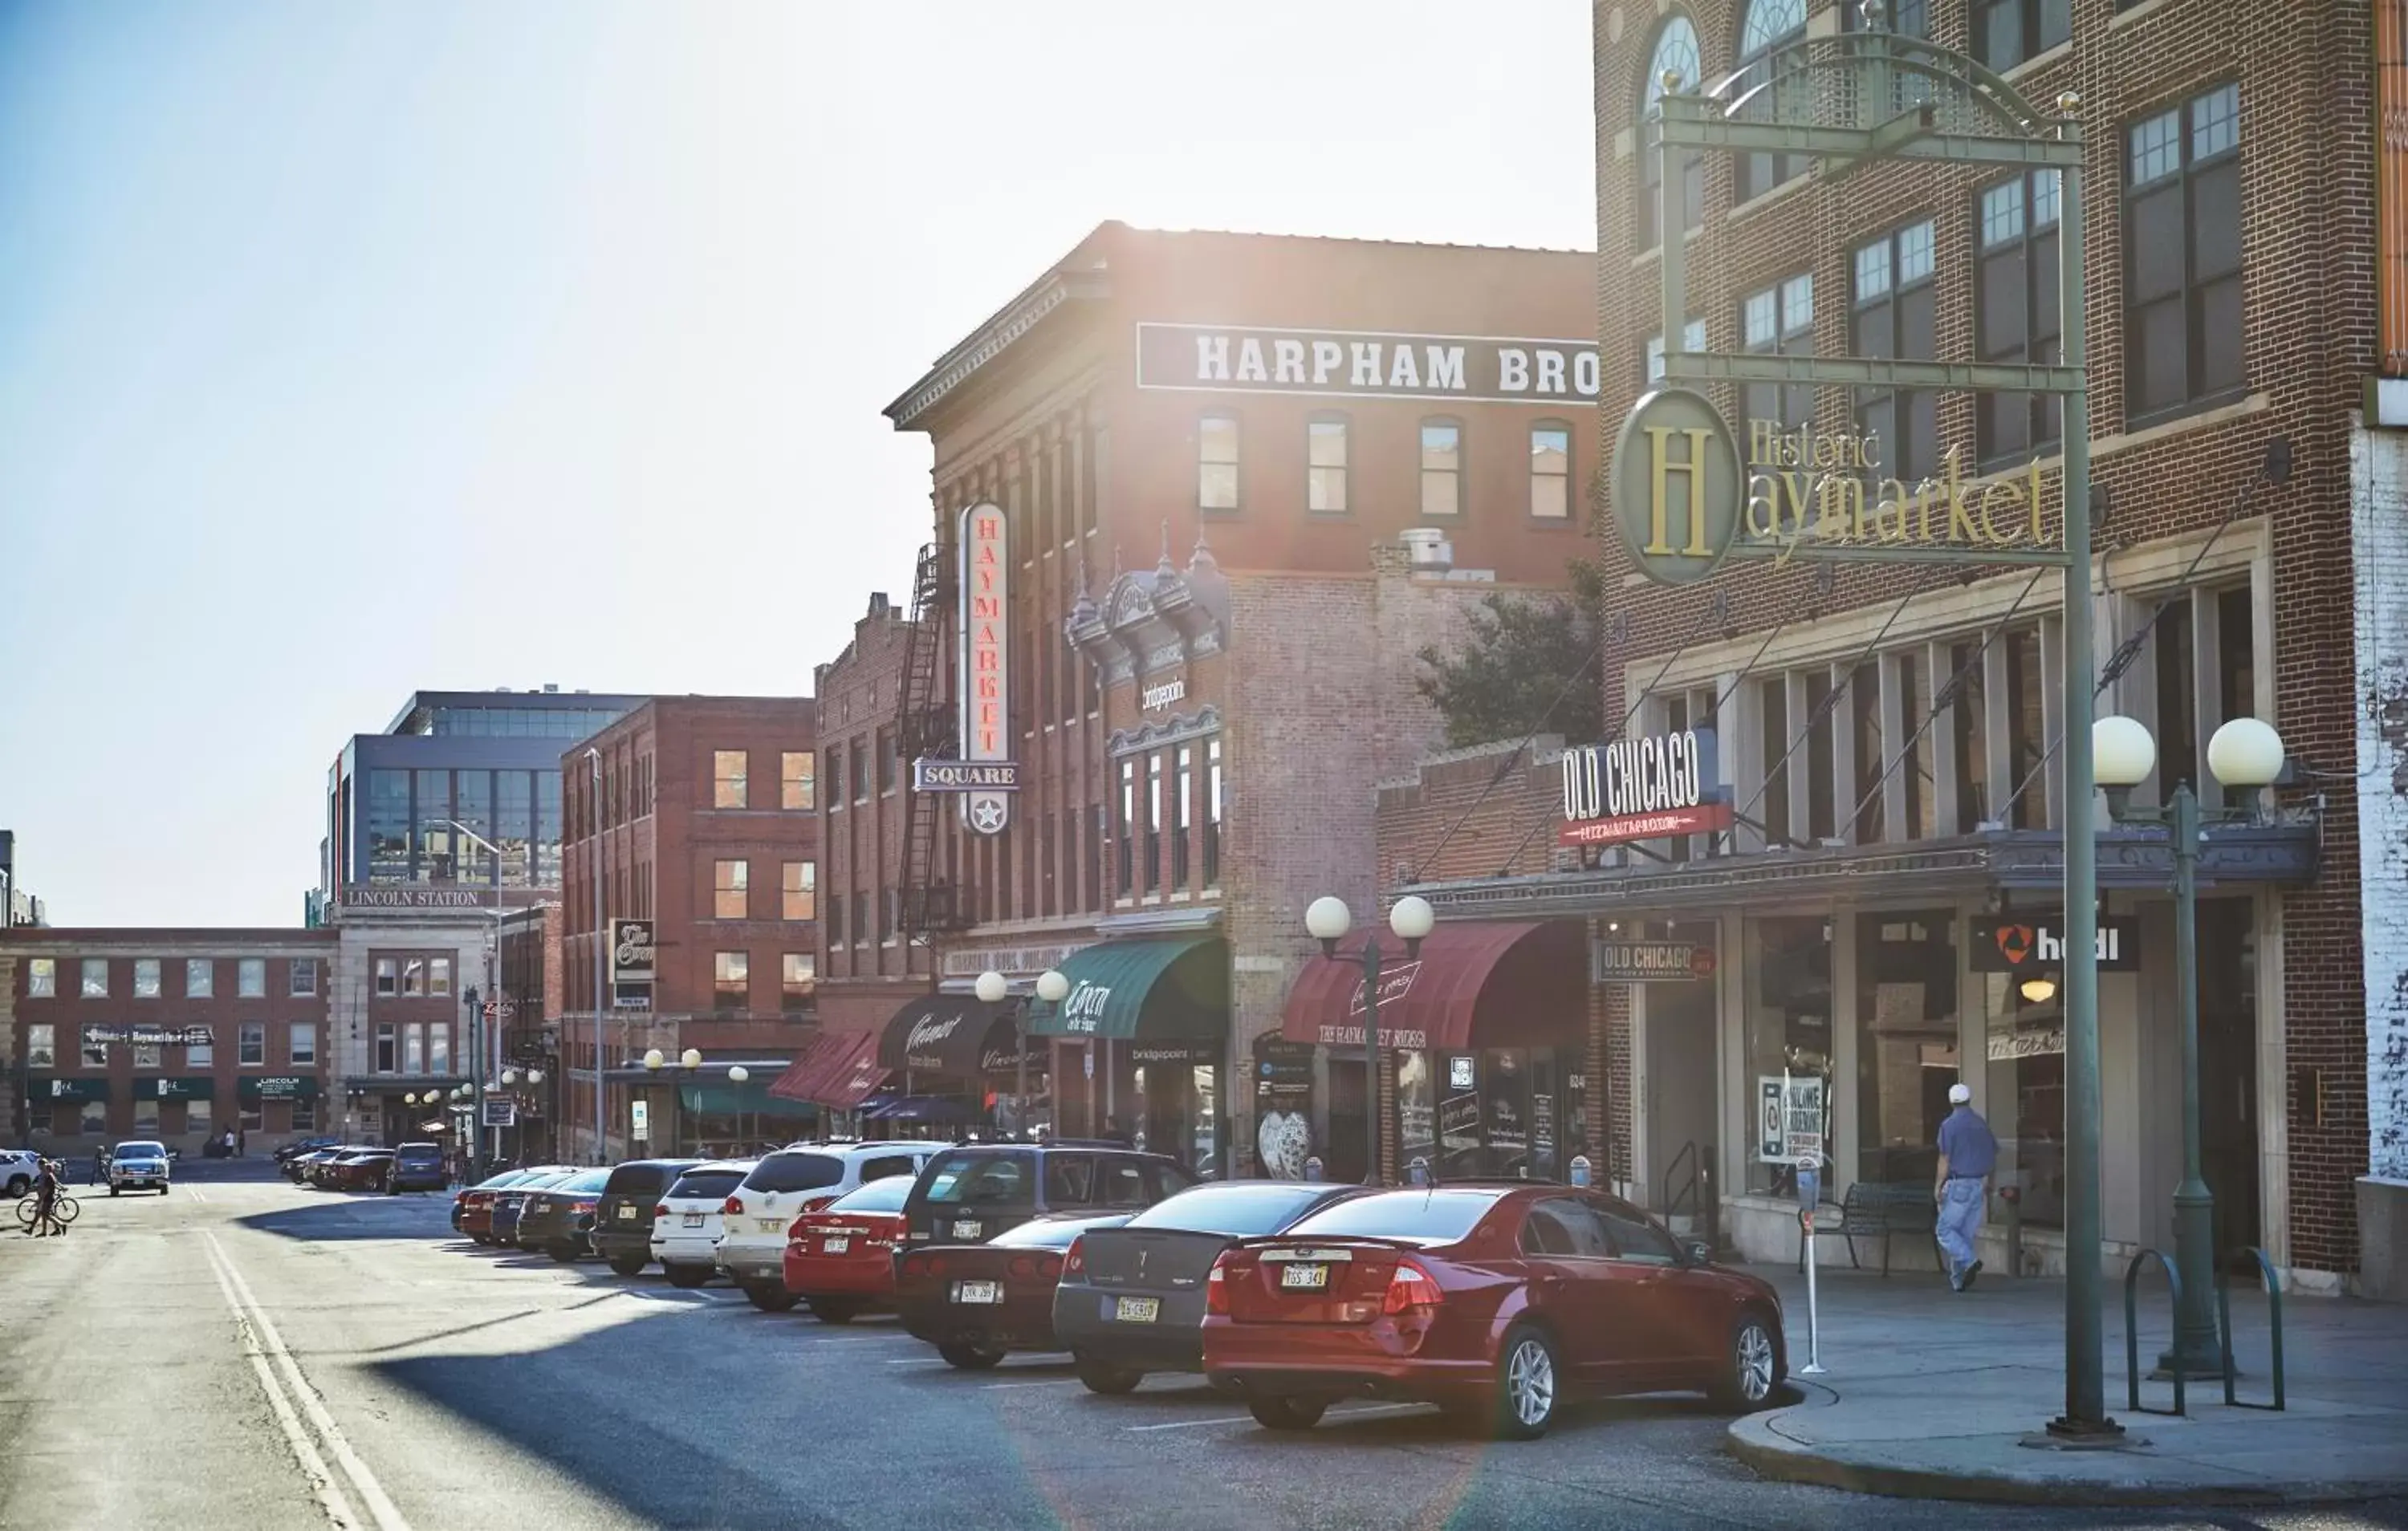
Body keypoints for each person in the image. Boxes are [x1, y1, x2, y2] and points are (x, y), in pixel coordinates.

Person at [1934, 1081, 1999, 1291]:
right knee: (1963, 1235)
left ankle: (1970, 1261)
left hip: (1958, 1184)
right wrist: (1991, 1183)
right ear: (1969, 1100)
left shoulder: (1949, 1126)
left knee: (1944, 1230)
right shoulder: (1981, 1124)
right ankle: (1958, 1280)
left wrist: (1937, 1186)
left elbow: (1945, 1158)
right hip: (1979, 1184)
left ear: (1951, 1102)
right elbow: (1992, 1156)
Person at [32, 1156, 63, 1237]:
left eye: (39, 1165)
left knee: (44, 1214)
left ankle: (61, 1225)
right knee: (45, 1214)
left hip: (46, 1197)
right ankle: (50, 1230)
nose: (38, 1167)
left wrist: (40, 1199)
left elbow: (47, 1188)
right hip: (45, 1197)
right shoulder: (45, 1174)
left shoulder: (47, 1175)